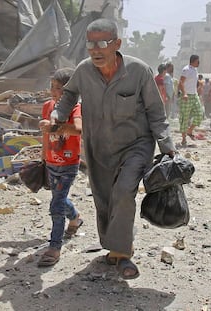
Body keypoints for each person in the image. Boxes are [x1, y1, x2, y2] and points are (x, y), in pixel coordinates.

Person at [50, 18, 176, 279]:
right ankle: (114, 245)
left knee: (123, 191)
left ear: (117, 43)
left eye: (103, 43)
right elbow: (69, 95)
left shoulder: (139, 71)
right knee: (104, 198)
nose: (96, 50)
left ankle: (123, 254)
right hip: (99, 146)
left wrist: (166, 145)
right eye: (90, 44)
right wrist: (58, 115)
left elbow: (155, 111)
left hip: (136, 145)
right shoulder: (84, 71)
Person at [37, 68, 83, 267]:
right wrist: (43, 156)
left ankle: (54, 247)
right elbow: (46, 136)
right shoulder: (48, 106)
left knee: (56, 204)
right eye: (52, 87)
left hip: (68, 164)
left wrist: (56, 127)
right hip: (52, 162)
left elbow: (79, 129)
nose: (53, 92)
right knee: (60, 198)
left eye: (59, 88)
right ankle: (75, 218)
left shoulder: (75, 108)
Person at [178, 55, 204, 146]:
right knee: (185, 117)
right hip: (187, 96)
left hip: (194, 95)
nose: (199, 63)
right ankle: (184, 138)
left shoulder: (195, 70)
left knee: (199, 114)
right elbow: (180, 82)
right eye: (198, 61)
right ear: (194, 61)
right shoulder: (186, 69)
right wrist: (184, 93)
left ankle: (190, 130)